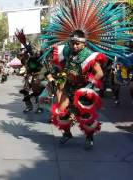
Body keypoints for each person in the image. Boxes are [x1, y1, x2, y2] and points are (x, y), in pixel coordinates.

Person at [41, 0, 133, 150]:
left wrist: (90, 85)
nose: (75, 45)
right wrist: (58, 75)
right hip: (69, 86)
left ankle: (89, 137)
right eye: (73, 42)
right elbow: (60, 63)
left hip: (84, 87)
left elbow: (99, 73)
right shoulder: (67, 51)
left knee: (85, 116)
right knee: (61, 112)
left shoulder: (89, 55)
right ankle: (66, 133)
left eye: (78, 43)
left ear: (84, 43)